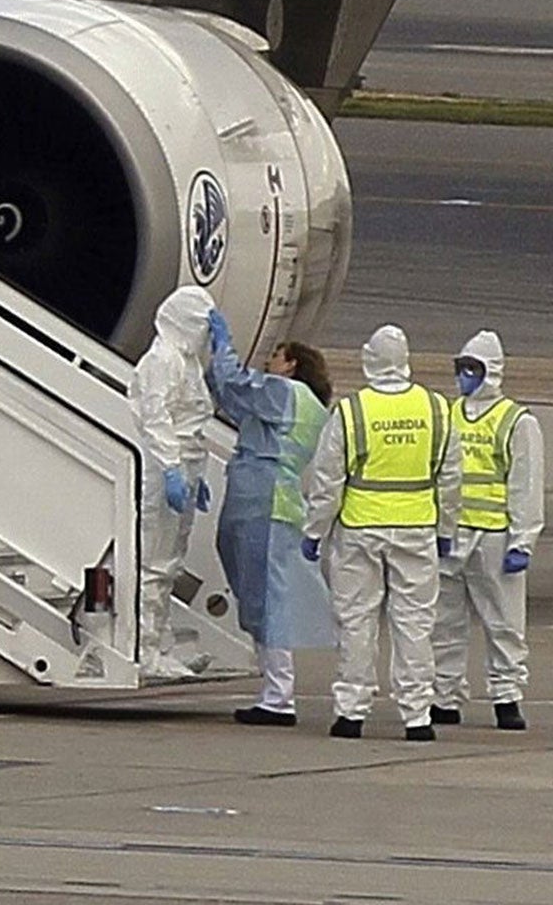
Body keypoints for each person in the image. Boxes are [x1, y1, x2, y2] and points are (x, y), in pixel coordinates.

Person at [303, 324, 461, 741]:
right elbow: (450, 479)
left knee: (356, 621)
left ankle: (351, 712)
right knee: (415, 624)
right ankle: (417, 716)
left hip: (360, 530)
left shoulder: (352, 412)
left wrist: (315, 531)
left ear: (369, 360)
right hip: (416, 529)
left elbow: (327, 480)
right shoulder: (437, 409)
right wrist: (446, 529)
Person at [204, 315, 335, 726]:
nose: (269, 364)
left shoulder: (284, 393)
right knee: (263, 592)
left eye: (276, 357)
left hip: (264, 496)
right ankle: (274, 691)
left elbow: (234, 389)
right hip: (274, 495)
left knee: (266, 596)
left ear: (292, 364)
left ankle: (279, 695)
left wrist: (223, 348)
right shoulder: (309, 406)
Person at [432, 330, 542, 731]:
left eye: (472, 369)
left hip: (495, 538)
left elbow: (525, 484)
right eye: (461, 368)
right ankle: (444, 696)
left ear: (490, 371)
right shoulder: (448, 414)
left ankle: (507, 696)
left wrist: (523, 540)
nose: (464, 376)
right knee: (445, 623)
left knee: (504, 625)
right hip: (452, 534)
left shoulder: (516, 420)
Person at [131, 285, 217, 679]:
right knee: (155, 561)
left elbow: (191, 417)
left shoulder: (186, 361)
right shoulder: (162, 360)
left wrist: (192, 474)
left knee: (170, 561)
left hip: (184, 463)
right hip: (166, 466)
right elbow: (156, 417)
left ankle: (162, 644)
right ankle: (147, 649)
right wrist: (170, 468)